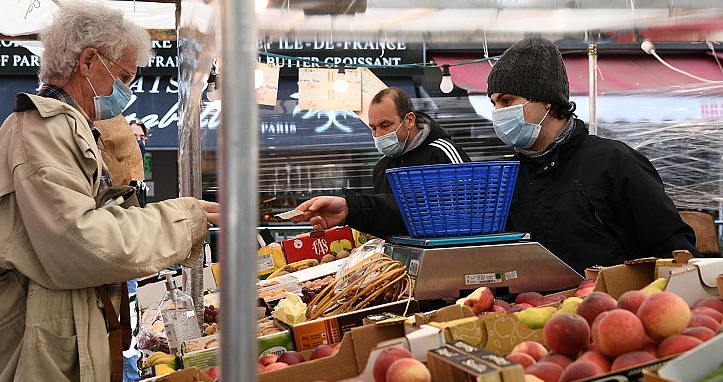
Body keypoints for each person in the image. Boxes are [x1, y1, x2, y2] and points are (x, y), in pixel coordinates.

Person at [0, 4, 219, 382]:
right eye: (125, 77)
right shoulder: (43, 129)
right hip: (44, 365)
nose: (127, 91)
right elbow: (84, 242)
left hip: (58, 354)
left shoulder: (67, 126)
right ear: (88, 61)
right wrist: (183, 219)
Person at [486, 37, 699, 273]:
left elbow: (671, 249)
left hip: (615, 305)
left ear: (546, 99)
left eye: (507, 101)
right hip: (528, 308)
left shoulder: (614, 163)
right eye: (494, 103)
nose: (498, 112)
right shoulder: (506, 178)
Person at [292, 87, 470, 236]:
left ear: (409, 120)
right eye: (373, 128)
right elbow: (385, 219)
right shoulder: (381, 167)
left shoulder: (442, 153)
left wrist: (351, 207)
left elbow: (465, 209)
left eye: (385, 125)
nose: (378, 135)